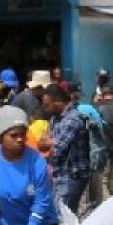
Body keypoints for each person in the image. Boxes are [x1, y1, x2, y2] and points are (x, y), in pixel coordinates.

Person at [43, 84, 91, 213]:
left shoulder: (73, 119)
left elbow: (57, 149)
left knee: (63, 216)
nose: (45, 108)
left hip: (72, 175)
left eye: (47, 105)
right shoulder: (55, 119)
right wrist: (49, 142)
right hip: (59, 174)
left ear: (57, 101)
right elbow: (43, 142)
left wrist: (50, 143)